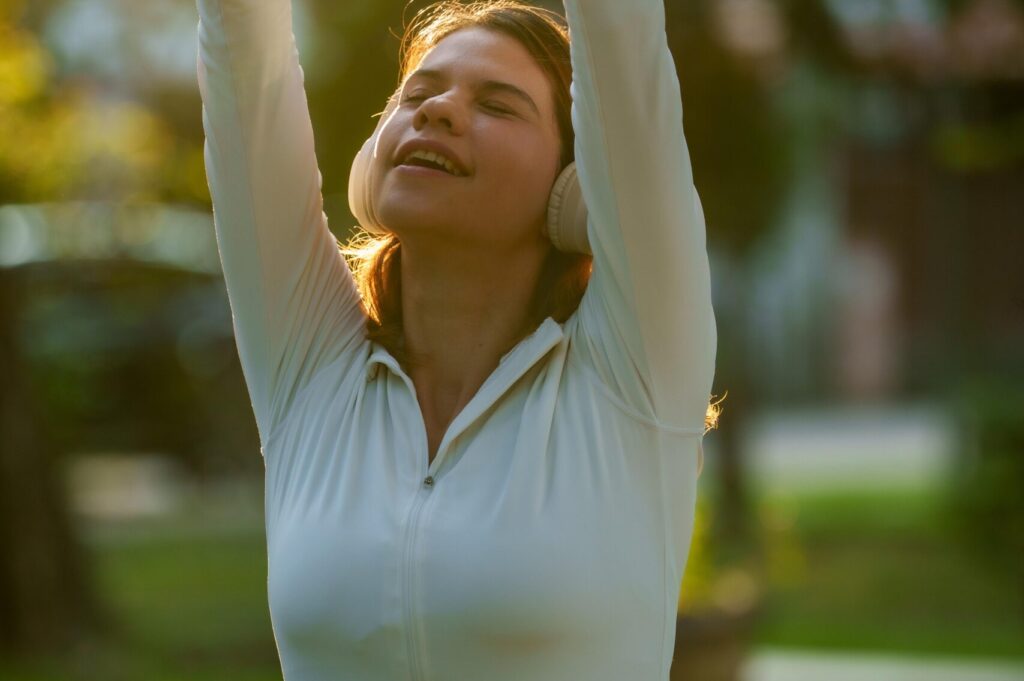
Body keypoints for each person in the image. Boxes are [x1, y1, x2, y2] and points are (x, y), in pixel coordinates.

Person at [196, 0, 718, 678]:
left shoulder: (632, 375)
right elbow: (244, 63)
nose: (437, 111)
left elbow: (623, 43)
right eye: (418, 92)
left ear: (574, 184)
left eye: (498, 106)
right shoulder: (311, 369)